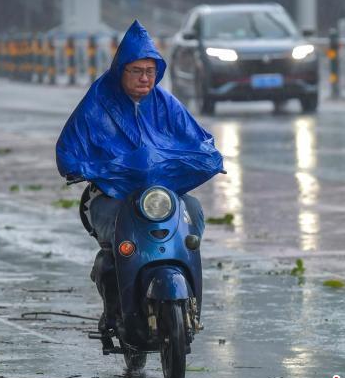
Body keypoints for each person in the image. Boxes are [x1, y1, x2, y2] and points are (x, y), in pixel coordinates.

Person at [55, 20, 224, 334]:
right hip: (113, 194)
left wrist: (207, 156)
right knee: (114, 247)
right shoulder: (98, 101)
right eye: (137, 70)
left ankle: (189, 300)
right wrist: (88, 167)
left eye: (150, 70)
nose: (145, 77)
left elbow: (196, 137)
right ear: (121, 70)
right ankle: (113, 308)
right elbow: (69, 146)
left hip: (161, 195)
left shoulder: (165, 103)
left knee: (194, 212)